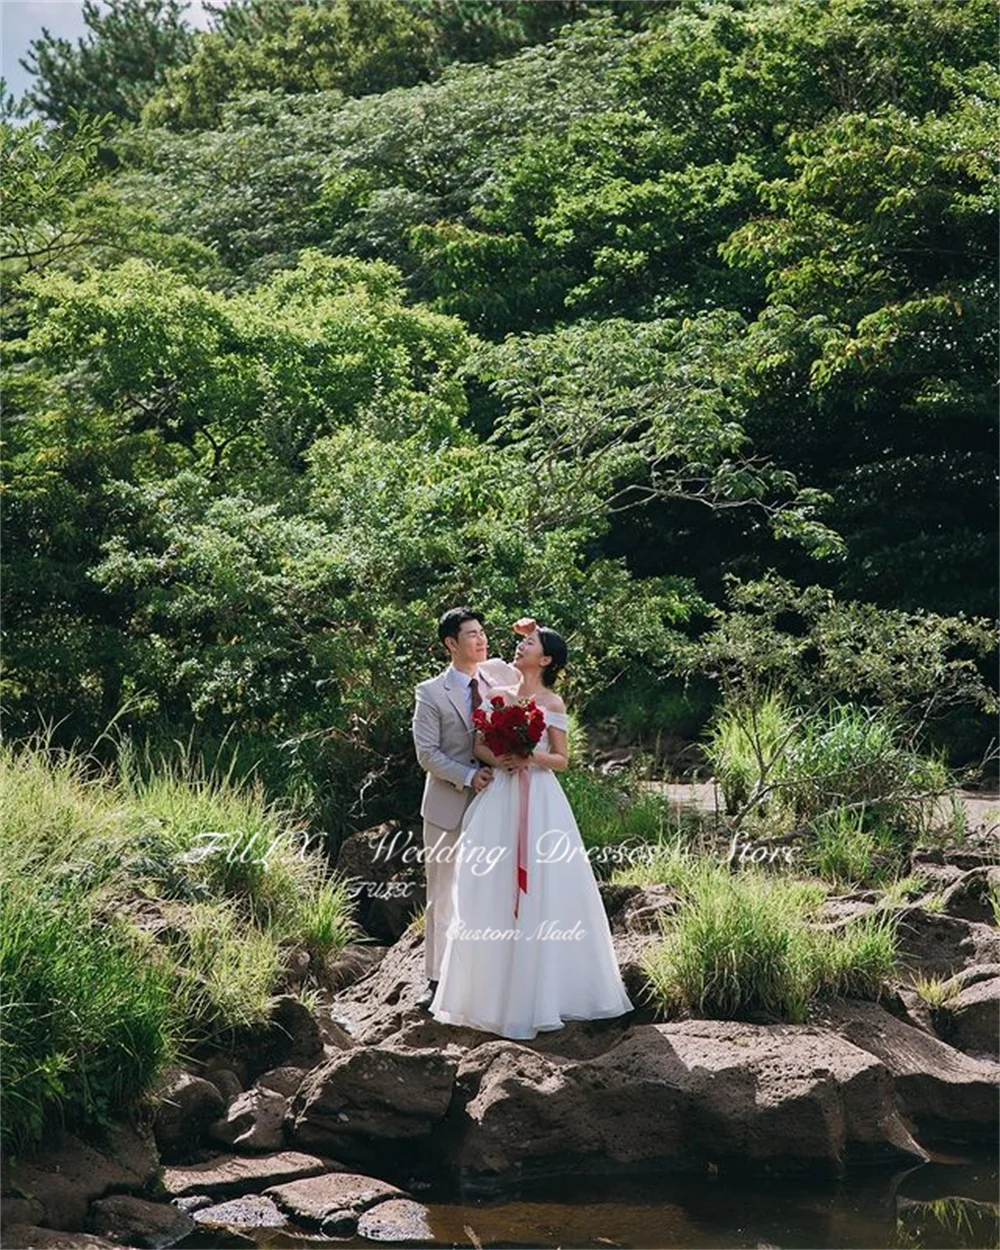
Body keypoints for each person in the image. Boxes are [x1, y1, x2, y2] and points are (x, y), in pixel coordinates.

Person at [428, 618, 634, 1039]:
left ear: (547, 659)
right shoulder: (498, 693)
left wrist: (529, 758)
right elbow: (478, 745)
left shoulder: (553, 703)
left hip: (540, 799)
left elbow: (562, 759)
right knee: (487, 886)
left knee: (543, 886)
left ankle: (542, 994)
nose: (520, 648)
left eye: (531, 644)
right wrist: (499, 757)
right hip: (498, 796)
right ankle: (488, 995)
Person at [411, 607, 520, 1010]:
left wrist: (531, 630)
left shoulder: (496, 675)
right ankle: (436, 981)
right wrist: (467, 775)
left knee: (492, 891)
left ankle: (487, 978)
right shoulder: (430, 692)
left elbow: (535, 662)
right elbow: (427, 754)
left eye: (482, 632)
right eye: (471, 634)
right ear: (450, 644)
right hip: (448, 804)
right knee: (443, 894)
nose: (480, 639)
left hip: (497, 802)